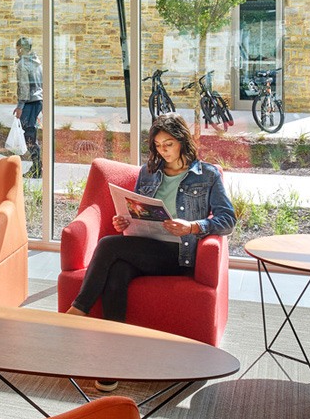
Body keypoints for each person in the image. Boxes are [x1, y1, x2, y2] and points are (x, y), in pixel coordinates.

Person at [67, 113, 236, 334]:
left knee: (109, 245)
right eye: (158, 145)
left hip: (179, 254)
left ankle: (78, 311)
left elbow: (228, 220)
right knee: (118, 269)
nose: (163, 150)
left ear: (182, 141)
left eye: (169, 144)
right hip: (146, 246)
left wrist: (192, 227)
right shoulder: (148, 173)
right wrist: (125, 221)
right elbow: (137, 209)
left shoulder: (207, 175)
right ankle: (114, 335)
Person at [14, 35, 43, 178]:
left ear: (20, 49)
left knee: (29, 136)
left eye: (17, 48)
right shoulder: (37, 62)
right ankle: (38, 167)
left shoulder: (22, 64)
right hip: (39, 102)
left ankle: (37, 169)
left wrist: (20, 106)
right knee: (32, 134)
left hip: (29, 104)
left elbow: (24, 87)